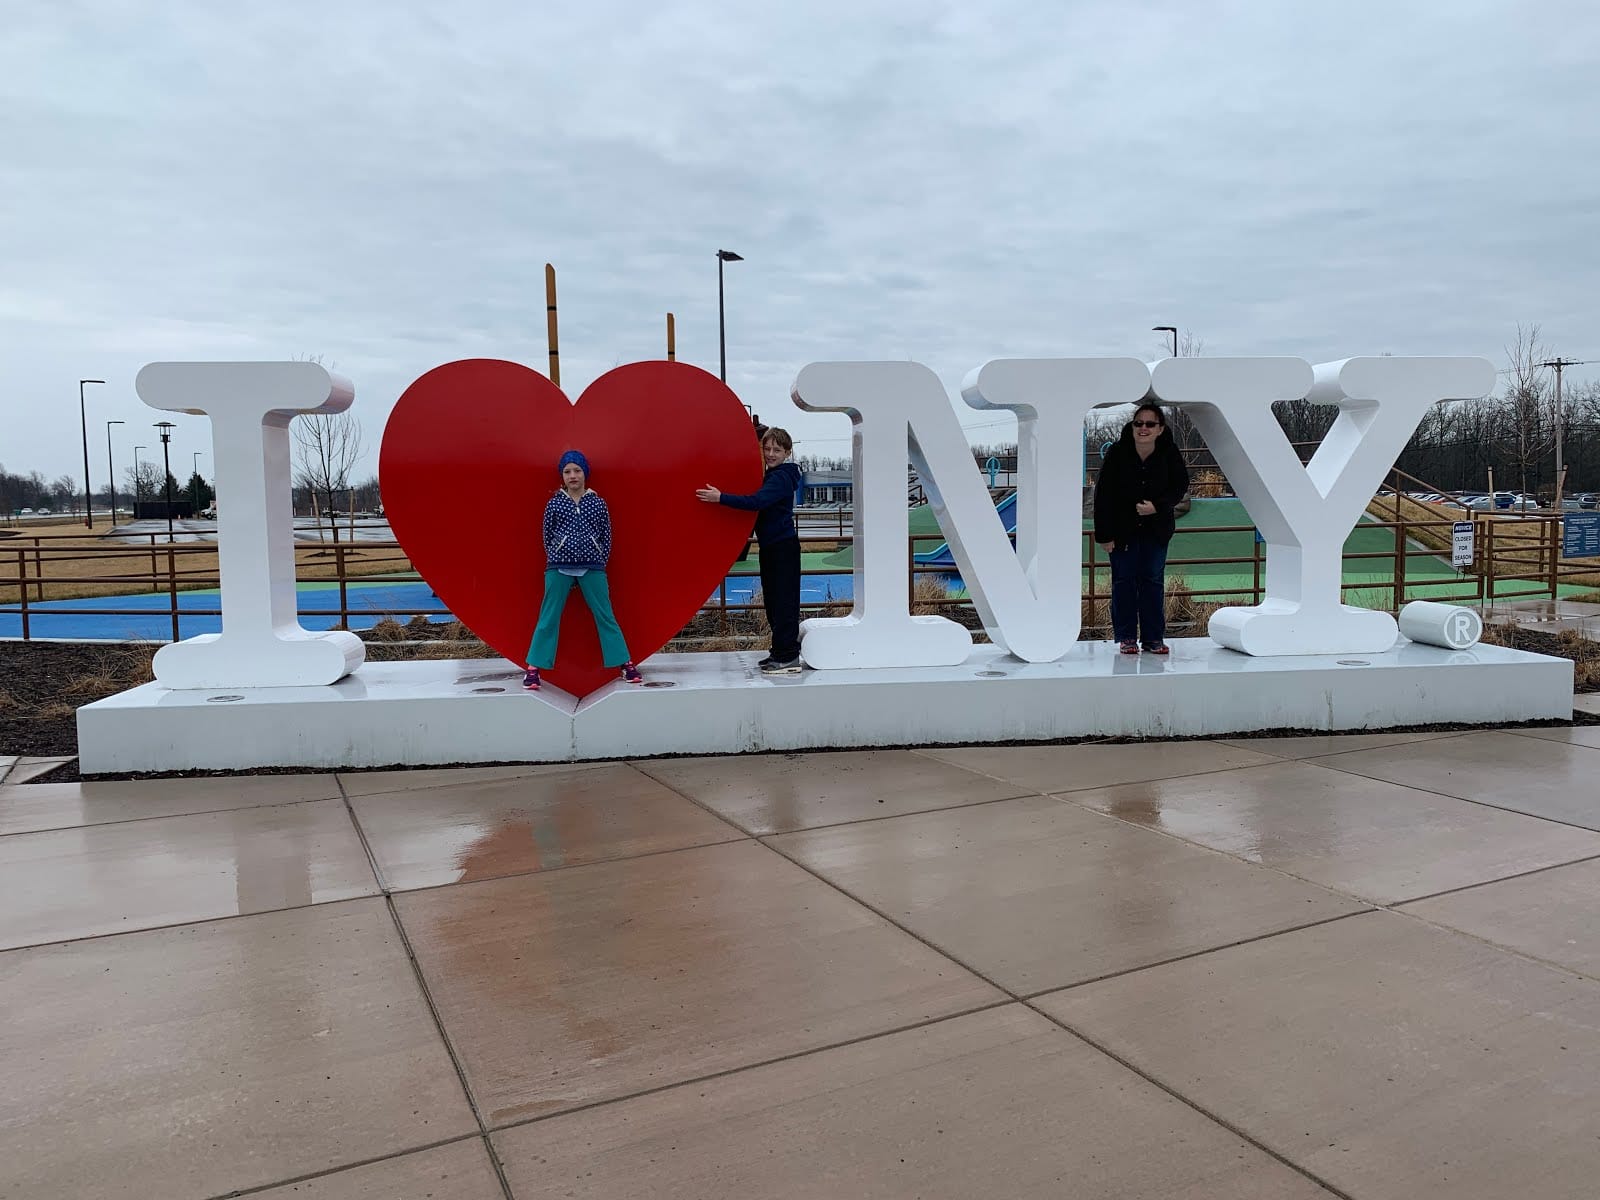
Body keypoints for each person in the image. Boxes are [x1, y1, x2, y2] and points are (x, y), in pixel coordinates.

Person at [523, 450, 642, 690]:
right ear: (562, 476)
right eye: (567, 472)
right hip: (559, 567)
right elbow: (546, 535)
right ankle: (533, 669)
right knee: (548, 618)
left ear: (585, 473)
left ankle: (625, 664)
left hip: (592, 567)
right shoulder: (555, 503)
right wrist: (559, 552)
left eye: (577, 470)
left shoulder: (598, 503)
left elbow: (606, 535)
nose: (572, 476)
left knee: (605, 616)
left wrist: (597, 557)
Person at [696, 427, 803, 674]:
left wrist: (720, 498)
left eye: (777, 449)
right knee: (774, 602)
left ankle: (787, 657)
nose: (771, 454)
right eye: (767, 449)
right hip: (772, 546)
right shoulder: (772, 475)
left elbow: (757, 502)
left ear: (787, 452)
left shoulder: (781, 477)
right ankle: (779, 652)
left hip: (782, 547)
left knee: (784, 603)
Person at [1093, 402, 1190, 655]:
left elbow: (1179, 486)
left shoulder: (1169, 453)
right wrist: (1104, 535)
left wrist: (1157, 506)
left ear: (1160, 428)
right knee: (1123, 582)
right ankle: (1126, 637)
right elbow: (1103, 495)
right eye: (1138, 423)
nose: (1143, 428)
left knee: (1152, 582)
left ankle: (1153, 639)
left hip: (1156, 532)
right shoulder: (1117, 453)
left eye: (1150, 424)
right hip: (1122, 532)